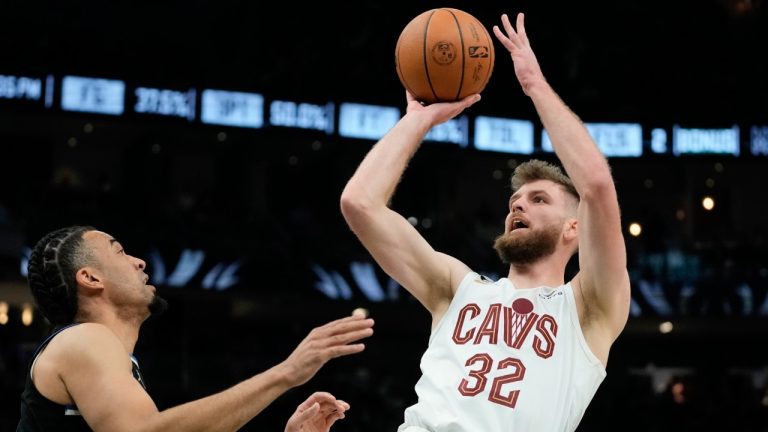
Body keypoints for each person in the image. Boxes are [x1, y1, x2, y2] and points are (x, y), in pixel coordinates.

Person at [339, 11, 630, 432]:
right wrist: (417, 120)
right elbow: (359, 203)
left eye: (538, 199)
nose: (517, 206)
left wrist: (534, 86)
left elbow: (598, 186)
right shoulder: (457, 288)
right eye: (514, 200)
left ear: (575, 227)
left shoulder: (588, 308)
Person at [17, 225, 375, 432]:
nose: (139, 261)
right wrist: (286, 373)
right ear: (90, 277)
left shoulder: (112, 363)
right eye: (121, 252)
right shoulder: (83, 338)